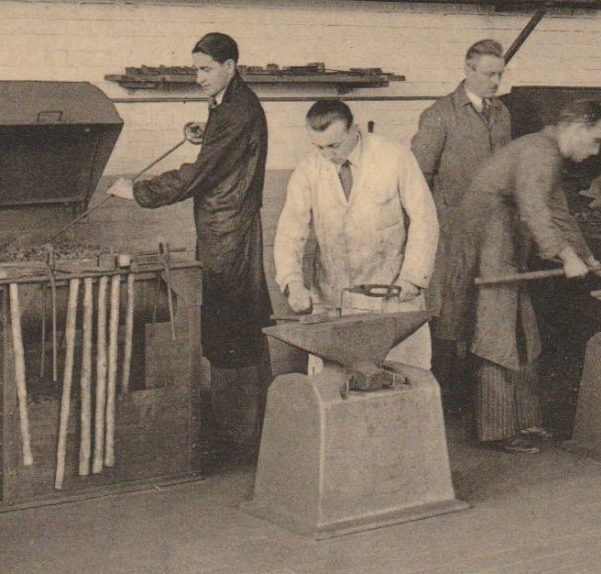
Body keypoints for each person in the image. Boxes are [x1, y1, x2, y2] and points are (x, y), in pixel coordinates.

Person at [112, 32, 271, 461]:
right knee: (231, 321)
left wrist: (140, 191)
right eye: (194, 69)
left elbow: (198, 176)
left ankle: (241, 439)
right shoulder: (228, 104)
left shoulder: (238, 110)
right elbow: (226, 150)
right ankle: (244, 430)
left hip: (228, 231)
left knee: (230, 324)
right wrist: (210, 131)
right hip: (223, 225)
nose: (198, 78)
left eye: (205, 69)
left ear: (230, 66)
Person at [442, 99, 601, 453]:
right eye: (594, 141)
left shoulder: (546, 152)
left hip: (505, 244)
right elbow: (534, 211)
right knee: (498, 334)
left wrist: (588, 257)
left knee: (522, 331)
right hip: (490, 246)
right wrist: (565, 256)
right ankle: (498, 430)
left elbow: (559, 213)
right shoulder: (540, 152)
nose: (595, 151)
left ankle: (523, 421)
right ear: (577, 129)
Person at [273, 99, 440, 369]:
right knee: (336, 393)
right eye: (319, 147)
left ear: (354, 129)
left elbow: (425, 218)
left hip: (393, 298)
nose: (327, 155)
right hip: (333, 300)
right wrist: (292, 282)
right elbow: (289, 232)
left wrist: (412, 277)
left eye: (334, 145)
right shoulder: (308, 169)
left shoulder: (394, 157)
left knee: (401, 388)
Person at [411, 39, 514, 415]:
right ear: (468, 70)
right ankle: (442, 401)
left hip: (494, 231)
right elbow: (418, 177)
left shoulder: (501, 113)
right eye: (489, 74)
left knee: (484, 313)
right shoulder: (438, 115)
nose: (496, 81)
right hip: (452, 233)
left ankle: (477, 403)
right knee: (449, 313)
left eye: (500, 74)